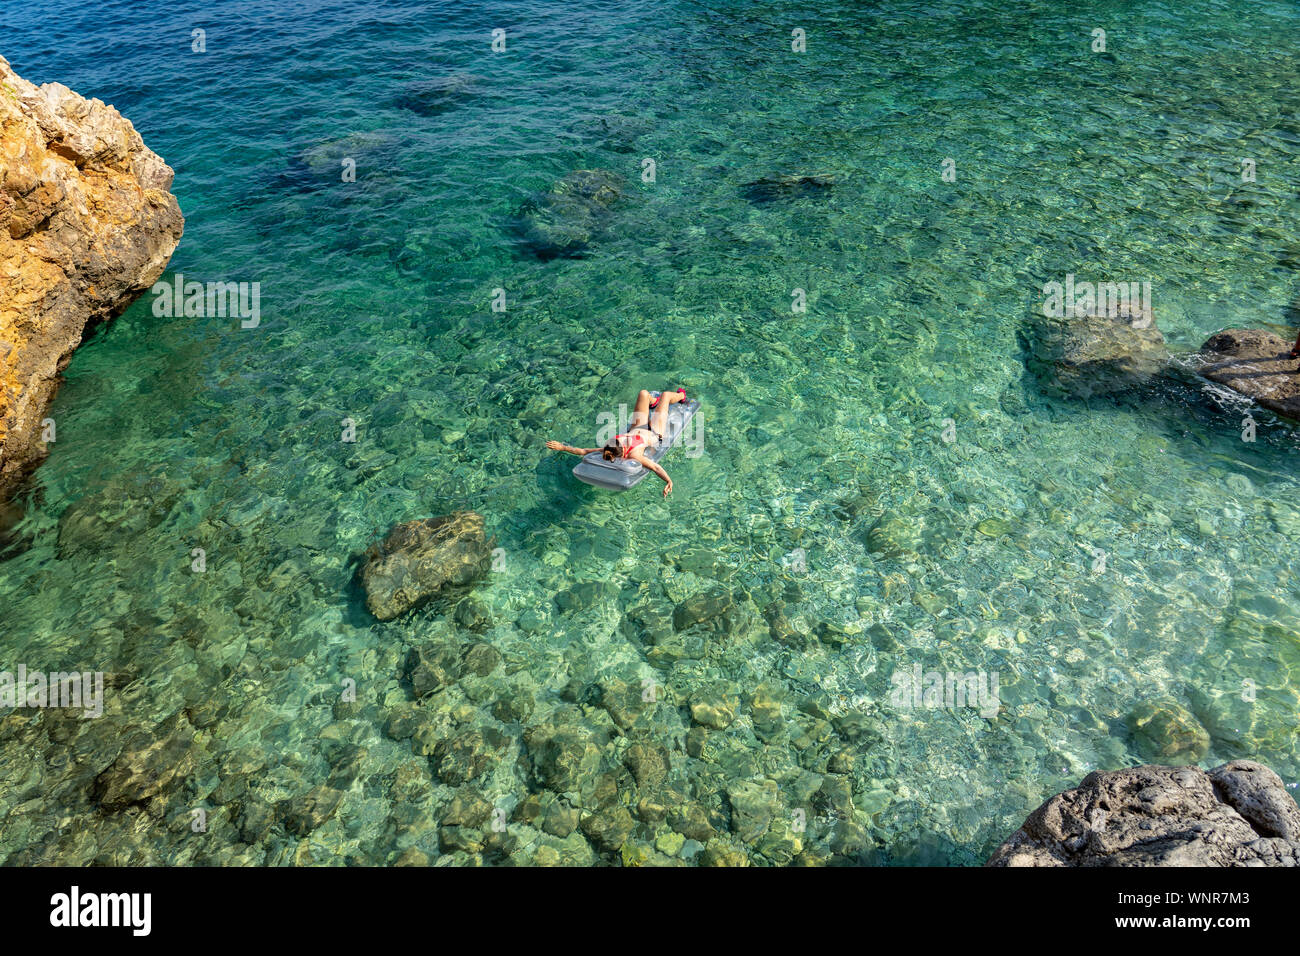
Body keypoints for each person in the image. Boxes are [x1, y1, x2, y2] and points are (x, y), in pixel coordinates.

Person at [546, 388, 687, 497]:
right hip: (655, 432)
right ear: (623, 453)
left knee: (644, 393)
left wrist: (563, 447)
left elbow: (583, 451)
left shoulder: (613, 446)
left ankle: (652, 401)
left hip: (638, 427)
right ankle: (682, 396)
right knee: (666, 396)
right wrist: (669, 480)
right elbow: (656, 468)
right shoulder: (634, 454)